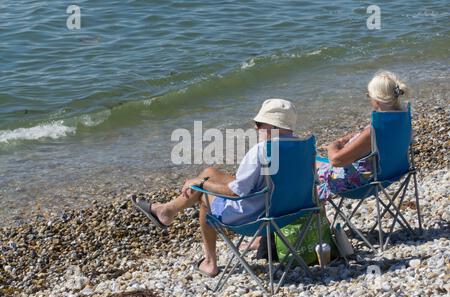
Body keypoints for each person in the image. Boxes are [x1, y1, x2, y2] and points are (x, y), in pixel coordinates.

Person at [131, 99, 298, 277]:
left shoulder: (262, 150)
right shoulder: (302, 147)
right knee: (210, 172)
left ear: (272, 125)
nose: (256, 128)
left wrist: (201, 185)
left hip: (258, 216)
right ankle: (167, 210)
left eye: (259, 124)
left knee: (204, 197)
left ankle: (210, 262)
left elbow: (236, 192)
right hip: (288, 211)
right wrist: (206, 179)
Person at [316, 70, 410, 200]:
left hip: (360, 185)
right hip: (392, 174)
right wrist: (355, 137)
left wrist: (333, 146)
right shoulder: (402, 118)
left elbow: (336, 160)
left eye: (368, 96)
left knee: (311, 164)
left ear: (376, 100)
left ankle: (310, 213)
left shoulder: (374, 131)